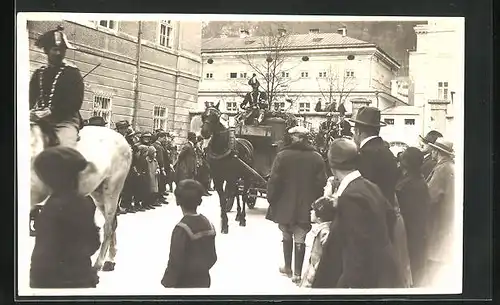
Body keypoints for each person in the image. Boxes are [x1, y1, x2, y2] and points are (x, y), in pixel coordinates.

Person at [312, 138, 405, 288]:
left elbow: (355, 255)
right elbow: (390, 219)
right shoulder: (370, 186)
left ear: (331, 164)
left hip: (364, 282)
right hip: (382, 274)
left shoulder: (351, 197)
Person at [347, 106, 412, 287]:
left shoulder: (366, 155)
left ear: (358, 131)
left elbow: (362, 192)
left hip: (368, 222)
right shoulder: (387, 152)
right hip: (386, 216)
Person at [30, 146, 100, 288]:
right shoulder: (83, 202)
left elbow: (44, 250)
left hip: (51, 280)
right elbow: (93, 243)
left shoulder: (52, 205)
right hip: (78, 277)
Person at [266, 125, 327, 284]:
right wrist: (315, 201)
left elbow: (274, 180)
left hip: (284, 203)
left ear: (296, 138)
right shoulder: (317, 157)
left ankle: (287, 267)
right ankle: (297, 274)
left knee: (286, 233)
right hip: (305, 204)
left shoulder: (282, 156)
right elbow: (321, 182)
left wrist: (271, 199)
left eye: (293, 137)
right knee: (300, 237)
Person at [29, 25, 84, 148]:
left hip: (65, 121)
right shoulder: (39, 74)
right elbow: (29, 98)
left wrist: (52, 111)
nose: (59, 53)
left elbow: (75, 103)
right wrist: (29, 112)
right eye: (55, 49)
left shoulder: (72, 73)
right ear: (46, 50)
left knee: (64, 151)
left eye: (62, 49)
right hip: (40, 121)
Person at [161, 179, 217, 288]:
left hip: (184, 283)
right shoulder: (209, 224)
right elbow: (212, 257)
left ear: (178, 201)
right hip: (204, 280)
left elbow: (175, 261)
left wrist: (168, 281)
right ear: (199, 201)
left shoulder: (181, 228)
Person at [396, 147, 431, 287]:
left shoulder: (407, 185)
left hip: (410, 232)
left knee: (412, 269)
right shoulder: (418, 180)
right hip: (418, 231)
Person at [424, 138, 455, 286]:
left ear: (437, 151)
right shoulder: (450, 167)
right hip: (447, 219)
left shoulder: (442, 169)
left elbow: (430, 196)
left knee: (436, 260)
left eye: (433, 150)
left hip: (439, 221)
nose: (431, 152)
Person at [300, 196, 336, 288]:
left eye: (313, 210)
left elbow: (326, 254)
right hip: (313, 269)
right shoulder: (324, 229)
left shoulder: (325, 232)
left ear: (319, 216)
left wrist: (315, 270)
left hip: (316, 273)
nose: (311, 212)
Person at [152, 130, 169, 204]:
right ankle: (159, 197)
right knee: (160, 182)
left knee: (160, 182)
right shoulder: (158, 146)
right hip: (160, 166)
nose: (165, 139)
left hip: (158, 166)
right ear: (159, 138)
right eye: (163, 138)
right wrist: (162, 168)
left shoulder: (157, 145)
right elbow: (160, 158)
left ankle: (160, 197)